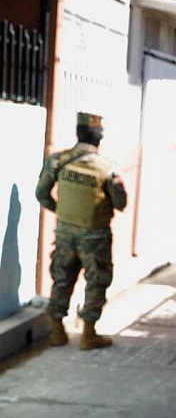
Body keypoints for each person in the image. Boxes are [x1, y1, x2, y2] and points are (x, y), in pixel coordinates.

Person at [36, 112, 127, 350]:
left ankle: (57, 332)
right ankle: (88, 335)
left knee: (62, 278)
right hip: (95, 237)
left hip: (65, 233)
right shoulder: (107, 169)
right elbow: (121, 203)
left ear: (79, 134)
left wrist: (61, 212)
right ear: (99, 138)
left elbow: (41, 194)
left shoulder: (58, 161)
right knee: (97, 281)